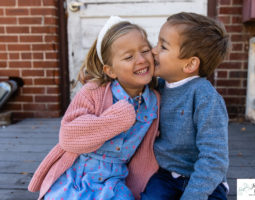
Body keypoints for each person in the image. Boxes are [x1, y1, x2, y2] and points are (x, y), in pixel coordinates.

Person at [28, 16, 161, 200]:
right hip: (76, 176)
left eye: (145, 50)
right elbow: (68, 136)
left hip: (115, 181)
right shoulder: (93, 91)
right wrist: (115, 121)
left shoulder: (154, 101)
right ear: (110, 70)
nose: (141, 59)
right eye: (129, 57)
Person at [141, 12, 230, 200]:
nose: (153, 51)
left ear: (190, 64)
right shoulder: (158, 87)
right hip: (166, 175)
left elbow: (214, 157)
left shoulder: (205, 97)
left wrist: (194, 195)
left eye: (163, 46)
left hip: (205, 181)